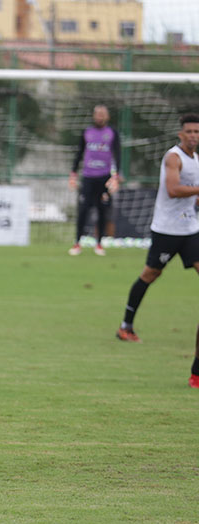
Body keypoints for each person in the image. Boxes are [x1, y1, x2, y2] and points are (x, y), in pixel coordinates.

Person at [115, 114, 199, 387]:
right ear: (180, 134)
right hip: (166, 231)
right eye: (188, 131)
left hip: (190, 231)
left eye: (197, 132)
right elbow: (173, 190)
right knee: (150, 274)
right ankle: (126, 326)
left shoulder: (197, 159)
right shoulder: (173, 158)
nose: (193, 136)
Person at [68, 105, 122, 256]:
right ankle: (77, 242)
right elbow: (79, 152)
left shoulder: (112, 133)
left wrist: (116, 175)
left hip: (104, 177)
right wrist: (73, 172)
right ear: (93, 116)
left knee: (102, 209)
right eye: (97, 114)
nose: (100, 117)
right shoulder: (87, 132)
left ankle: (99, 244)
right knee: (84, 209)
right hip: (88, 177)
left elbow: (118, 154)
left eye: (103, 114)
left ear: (108, 116)